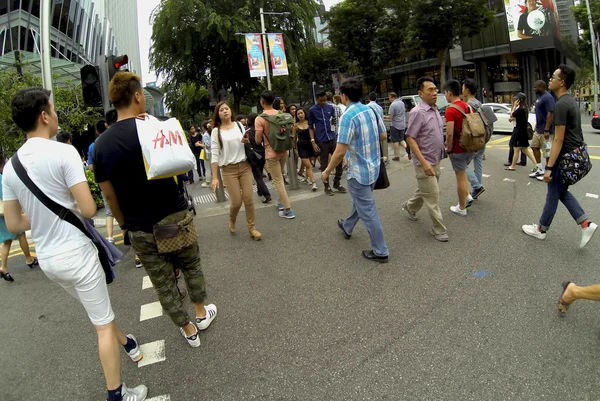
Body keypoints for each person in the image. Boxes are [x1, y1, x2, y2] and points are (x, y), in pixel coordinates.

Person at [3, 87, 147, 401]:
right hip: (77, 254)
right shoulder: (64, 152)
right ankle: (118, 395)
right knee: (102, 326)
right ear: (44, 116)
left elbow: (14, 224)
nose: (55, 114)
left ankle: (129, 345)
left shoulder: (10, 168)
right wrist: (65, 209)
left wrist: (42, 219)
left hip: (51, 263)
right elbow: (89, 208)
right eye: (52, 109)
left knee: (99, 315)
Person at [93, 72, 217, 348]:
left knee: (162, 282)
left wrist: (125, 223)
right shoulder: (156, 128)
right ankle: (200, 313)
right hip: (173, 214)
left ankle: (187, 329)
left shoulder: (100, 146)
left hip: (138, 226)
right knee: (190, 265)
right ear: (137, 96)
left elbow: (109, 195)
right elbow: (181, 165)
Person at [522, 64, 598, 247]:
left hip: (564, 158)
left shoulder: (562, 105)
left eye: (553, 77)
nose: (550, 80)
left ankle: (541, 229)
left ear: (561, 82)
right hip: (573, 154)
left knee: (553, 193)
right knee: (560, 192)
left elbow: (559, 139)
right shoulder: (568, 101)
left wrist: (548, 167)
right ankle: (585, 223)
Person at [326, 77, 389, 263]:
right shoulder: (371, 110)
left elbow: (339, 151)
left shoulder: (348, 116)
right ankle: (347, 226)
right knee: (362, 202)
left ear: (343, 96)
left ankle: (381, 250)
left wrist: (327, 170)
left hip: (359, 172)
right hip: (374, 168)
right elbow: (384, 135)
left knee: (368, 210)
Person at [402, 77, 448, 242]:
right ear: (420, 93)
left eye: (435, 89)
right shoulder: (417, 112)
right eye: (430, 90)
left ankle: (409, 206)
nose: (434, 92)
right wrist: (424, 163)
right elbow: (411, 138)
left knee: (426, 190)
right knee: (433, 196)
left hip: (436, 159)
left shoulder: (435, 109)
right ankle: (439, 229)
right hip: (425, 163)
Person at [210, 102, 262, 239]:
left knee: (249, 199)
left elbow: (247, 143)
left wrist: (246, 142)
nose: (225, 111)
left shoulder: (239, 126)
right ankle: (232, 219)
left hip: (244, 166)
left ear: (230, 111)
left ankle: (252, 228)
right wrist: (215, 177)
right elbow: (214, 154)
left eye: (226, 108)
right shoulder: (216, 131)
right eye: (221, 110)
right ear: (218, 114)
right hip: (228, 170)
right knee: (237, 201)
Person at [256, 91, 296, 219]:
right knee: (280, 177)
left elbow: (257, 141)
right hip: (284, 150)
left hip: (271, 152)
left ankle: (288, 210)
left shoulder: (260, 118)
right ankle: (280, 202)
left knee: (277, 181)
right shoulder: (281, 114)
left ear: (262, 102)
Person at [0, 154, 39, 282]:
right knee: (21, 234)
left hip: (1, 216)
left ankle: (4, 267)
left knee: (7, 241)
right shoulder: (1, 179)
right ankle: (29, 259)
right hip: (7, 212)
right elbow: (8, 198)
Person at [444, 79, 475, 216]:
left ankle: (462, 208)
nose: (445, 95)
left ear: (449, 93)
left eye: (445, 93)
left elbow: (449, 133)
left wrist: (449, 148)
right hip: (470, 146)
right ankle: (467, 195)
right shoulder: (468, 106)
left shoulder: (450, 110)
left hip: (458, 148)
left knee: (460, 176)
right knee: (463, 173)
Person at [462, 78, 496, 200]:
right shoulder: (480, 104)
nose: (462, 90)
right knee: (478, 164)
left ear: (466, 90)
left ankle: (476, 186)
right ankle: (476, 189)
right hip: (483, 138)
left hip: (474, 140)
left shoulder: (468, 106)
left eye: (463, 88)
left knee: (461, 163)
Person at [309, 91, 346, 196]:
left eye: (325, 100)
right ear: (317, 99)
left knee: (338, 160)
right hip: (321, 140)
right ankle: (327, 186)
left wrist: (336, 135)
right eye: (321, 100)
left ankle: (337, 182)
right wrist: (313, 142)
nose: (323, 102)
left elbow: (334, 122)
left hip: (332, 138)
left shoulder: (330, 108)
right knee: (324, 165)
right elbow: (310, 127)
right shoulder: (312, 110)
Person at [88, 119, 115, 243]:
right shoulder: (113, 139)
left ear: (97, 131)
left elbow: (92, 168)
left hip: (103, 183)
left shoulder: (93, 146)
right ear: (107, 126)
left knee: (109, 211)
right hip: (118, 180)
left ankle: (110, 237)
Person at [505, 93, 538, 171]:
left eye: (517, 99)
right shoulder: (524, 108)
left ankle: (512, 166)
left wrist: (514, 106)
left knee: (516, 149)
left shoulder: (520, 109)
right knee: (524, 149)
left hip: (519, 131)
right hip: (522, 131)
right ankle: (536, 165)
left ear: (520, 100)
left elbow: (512, 115)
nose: (515, 100)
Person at [529, 80, 555, 179]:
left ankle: (548, 172)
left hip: (546, 130)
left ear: (541, 86)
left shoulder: (548, 97)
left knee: (547, 153)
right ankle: (539, 169)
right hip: (538, 129)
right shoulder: (540, 97)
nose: (534, 89)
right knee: (534, 146)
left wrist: (547, 129)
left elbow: (550, 113)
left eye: (536, 87)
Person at [246, 113, 271, 203]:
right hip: (262, 153)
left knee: (258, 176)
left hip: (252, 155)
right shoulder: (259, 129)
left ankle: (266, 194)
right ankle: (259, 190)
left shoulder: (247, 131)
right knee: (259, 172)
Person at [293, 107, 318, 191]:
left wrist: (316, 143)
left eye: (301, 113)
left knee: (309, 164)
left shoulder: (309, 123)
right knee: (308, 165)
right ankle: (314, 183)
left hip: (310, 145)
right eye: (298, 114)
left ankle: (307, 178)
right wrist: (294, 148)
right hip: (301, 146)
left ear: (304, 113)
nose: (300, 115)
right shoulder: (295, 126)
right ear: (296, 116)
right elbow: (294, 138)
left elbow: (314, 134)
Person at [385, 92, 408, 161]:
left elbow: (390, 117)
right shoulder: (402, 103)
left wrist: (384, 117)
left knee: (395, 141)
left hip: (395, 125)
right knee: (401, 139)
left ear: (392, 97)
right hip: (402, 124)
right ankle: (408, 149)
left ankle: (396, 156)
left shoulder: (393, 105)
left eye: (389, 98)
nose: (389, 99)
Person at [201, 121, 212, 188]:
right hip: (214, 152)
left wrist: (200, 144)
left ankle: (208, 182)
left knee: (207, 168)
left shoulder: (205, 135)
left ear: (203, 128)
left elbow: (207, 145)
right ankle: (222, 181)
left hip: (208, 153)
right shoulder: (212, 132)